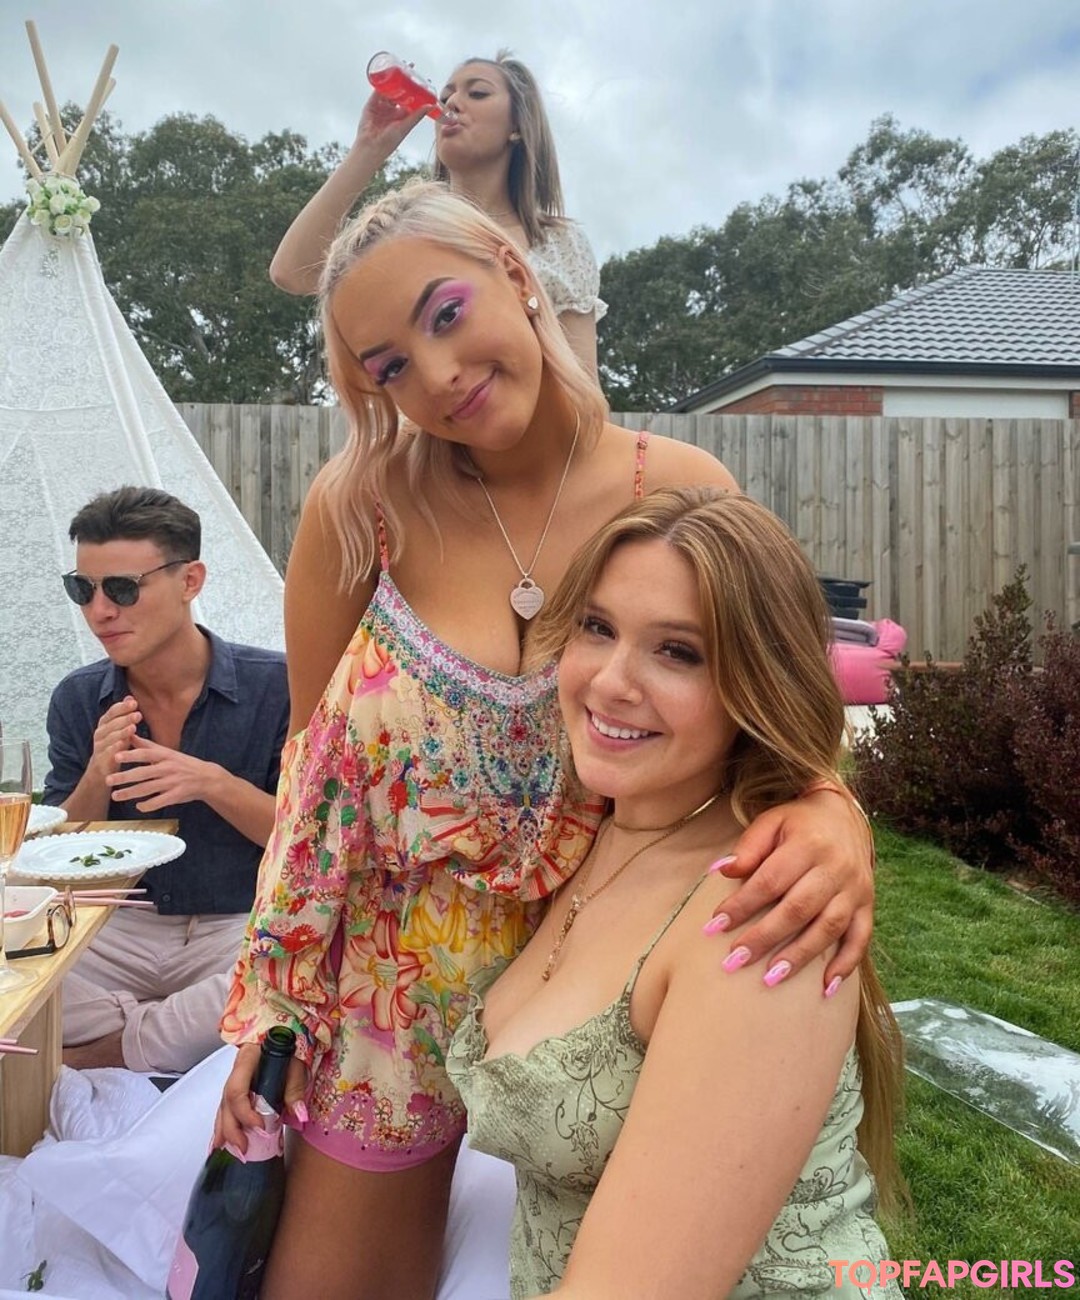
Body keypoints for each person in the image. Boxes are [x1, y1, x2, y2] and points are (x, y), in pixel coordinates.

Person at [217, 180, 876, 1300]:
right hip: (394, 983)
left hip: (597, 968)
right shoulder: (359, 506)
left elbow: (769, 708)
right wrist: (277, 997)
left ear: (517, 278)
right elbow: (309, 769)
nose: (437, 375)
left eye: (445, 313)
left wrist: (832, 813)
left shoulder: (682, 490)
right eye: (389, 365)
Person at [447, 486, 905, 1298]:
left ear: (757, 683)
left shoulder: (764, 915)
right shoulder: (582, 825)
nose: (610, 682)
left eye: (678, 652)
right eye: (597, 628)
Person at [42, 486, 289, 1074]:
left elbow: (310, 842)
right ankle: (167, 1038)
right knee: (15, 969)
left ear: (190, 581)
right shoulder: (79, 698)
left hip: (233, 926)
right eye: (83, 589)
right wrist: (98, 773)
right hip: (117, 927)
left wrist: (214, 784)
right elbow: (57, 858)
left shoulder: (276, 687)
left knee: (287, 971)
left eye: (122, 588)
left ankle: (110, 1049)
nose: (100, 611)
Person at [270, 49, 607, 372]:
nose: (453, 102)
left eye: (477, 93)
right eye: (445, 97)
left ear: (517, 125)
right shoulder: (406, 230)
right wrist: (370, 147)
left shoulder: (561, 244)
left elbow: (584, 389)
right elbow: (295, 272)